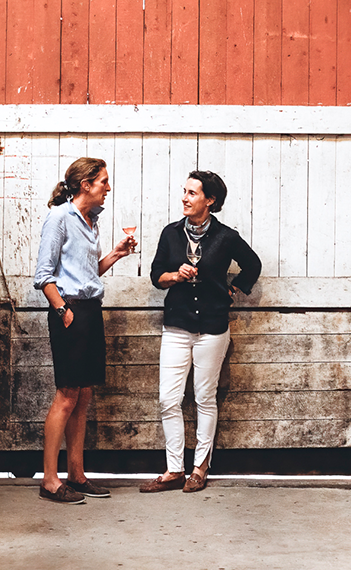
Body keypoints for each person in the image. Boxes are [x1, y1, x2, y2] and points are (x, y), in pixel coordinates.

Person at [140, 170, 261, 493]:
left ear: (210, 200)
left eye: (192, 193)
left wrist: (236, 288)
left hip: (212, 327)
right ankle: (174, 469)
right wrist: (174, 276)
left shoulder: (226, 237)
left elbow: (253, 264)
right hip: (177, 325)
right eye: (184, 191)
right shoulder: (171, 234)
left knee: (205, 398)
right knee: (169, 398)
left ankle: (200, 468)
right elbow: (156, 276)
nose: (184, 197)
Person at [33, 157, 135, 504]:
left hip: (90, 310)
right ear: (85, 185)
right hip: (70, 311)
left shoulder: (91, 221)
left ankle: (76, 475)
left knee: (84, 394)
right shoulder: (59, 218)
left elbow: (88, 274)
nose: (108, 187)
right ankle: (49, 480)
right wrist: (62, 310)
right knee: (66, 395)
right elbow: (43, 276)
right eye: (103, 181)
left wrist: (116, 255)